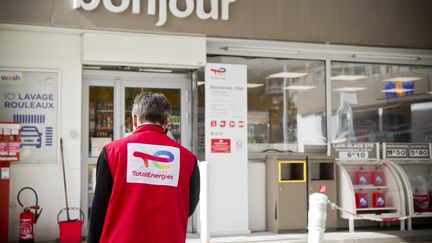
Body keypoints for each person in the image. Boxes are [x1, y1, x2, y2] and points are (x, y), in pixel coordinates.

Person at [88, 92, 200, 243]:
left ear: (135, 118)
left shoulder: (112, 152)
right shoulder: (188, 159)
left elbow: (99, 211)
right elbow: (189, 207)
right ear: (167, 122)